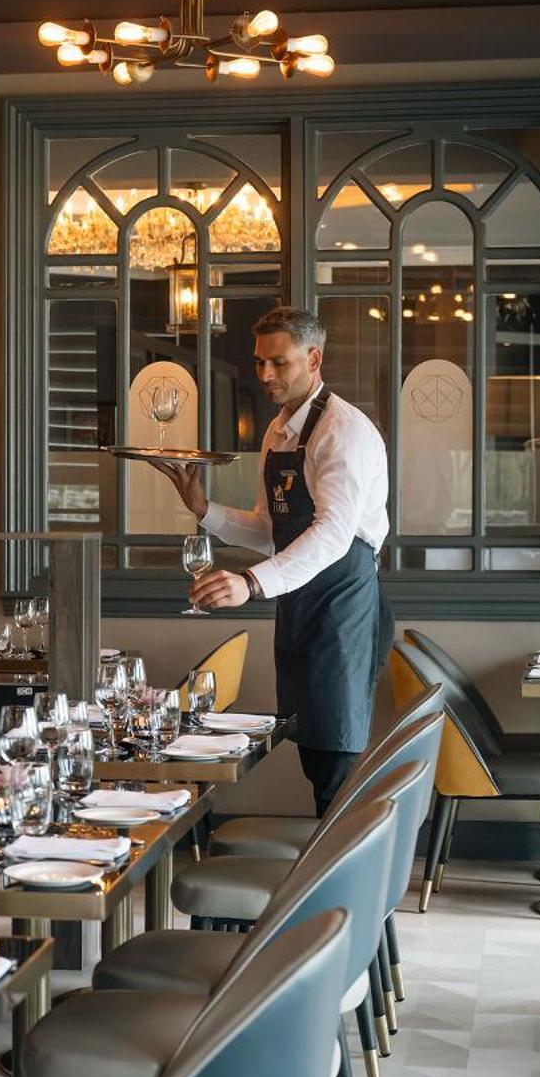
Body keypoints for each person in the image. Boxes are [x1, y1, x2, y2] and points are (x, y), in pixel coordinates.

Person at [162, 306, 393, 816]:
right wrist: (204, 510)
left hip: (343, 608)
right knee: (313, 751)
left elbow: (333, 535)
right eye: (259, 362)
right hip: (299, 604)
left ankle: (343, 866)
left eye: (279, 363)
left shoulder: (342, 431)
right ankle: (325, 862)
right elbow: (274, 530)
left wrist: (250, 583)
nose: (264, 374)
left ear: (314, 359)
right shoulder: (278, 430)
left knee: (337, 756)